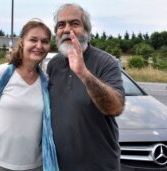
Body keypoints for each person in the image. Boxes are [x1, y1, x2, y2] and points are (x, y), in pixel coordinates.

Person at [47, 3, 125, 171]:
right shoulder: (53, 65)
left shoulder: (106, 62)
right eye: (61, 25)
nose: (67, 29)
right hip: (57, 166)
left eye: (74, 23)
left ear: (87, 30)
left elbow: (115, 107)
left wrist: (83, 73)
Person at [0, 19, 58, 171]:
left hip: (32, 163)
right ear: (22, 42)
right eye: (33, 40)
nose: (39, 46)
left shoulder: (46, 82)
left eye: (45, 41)